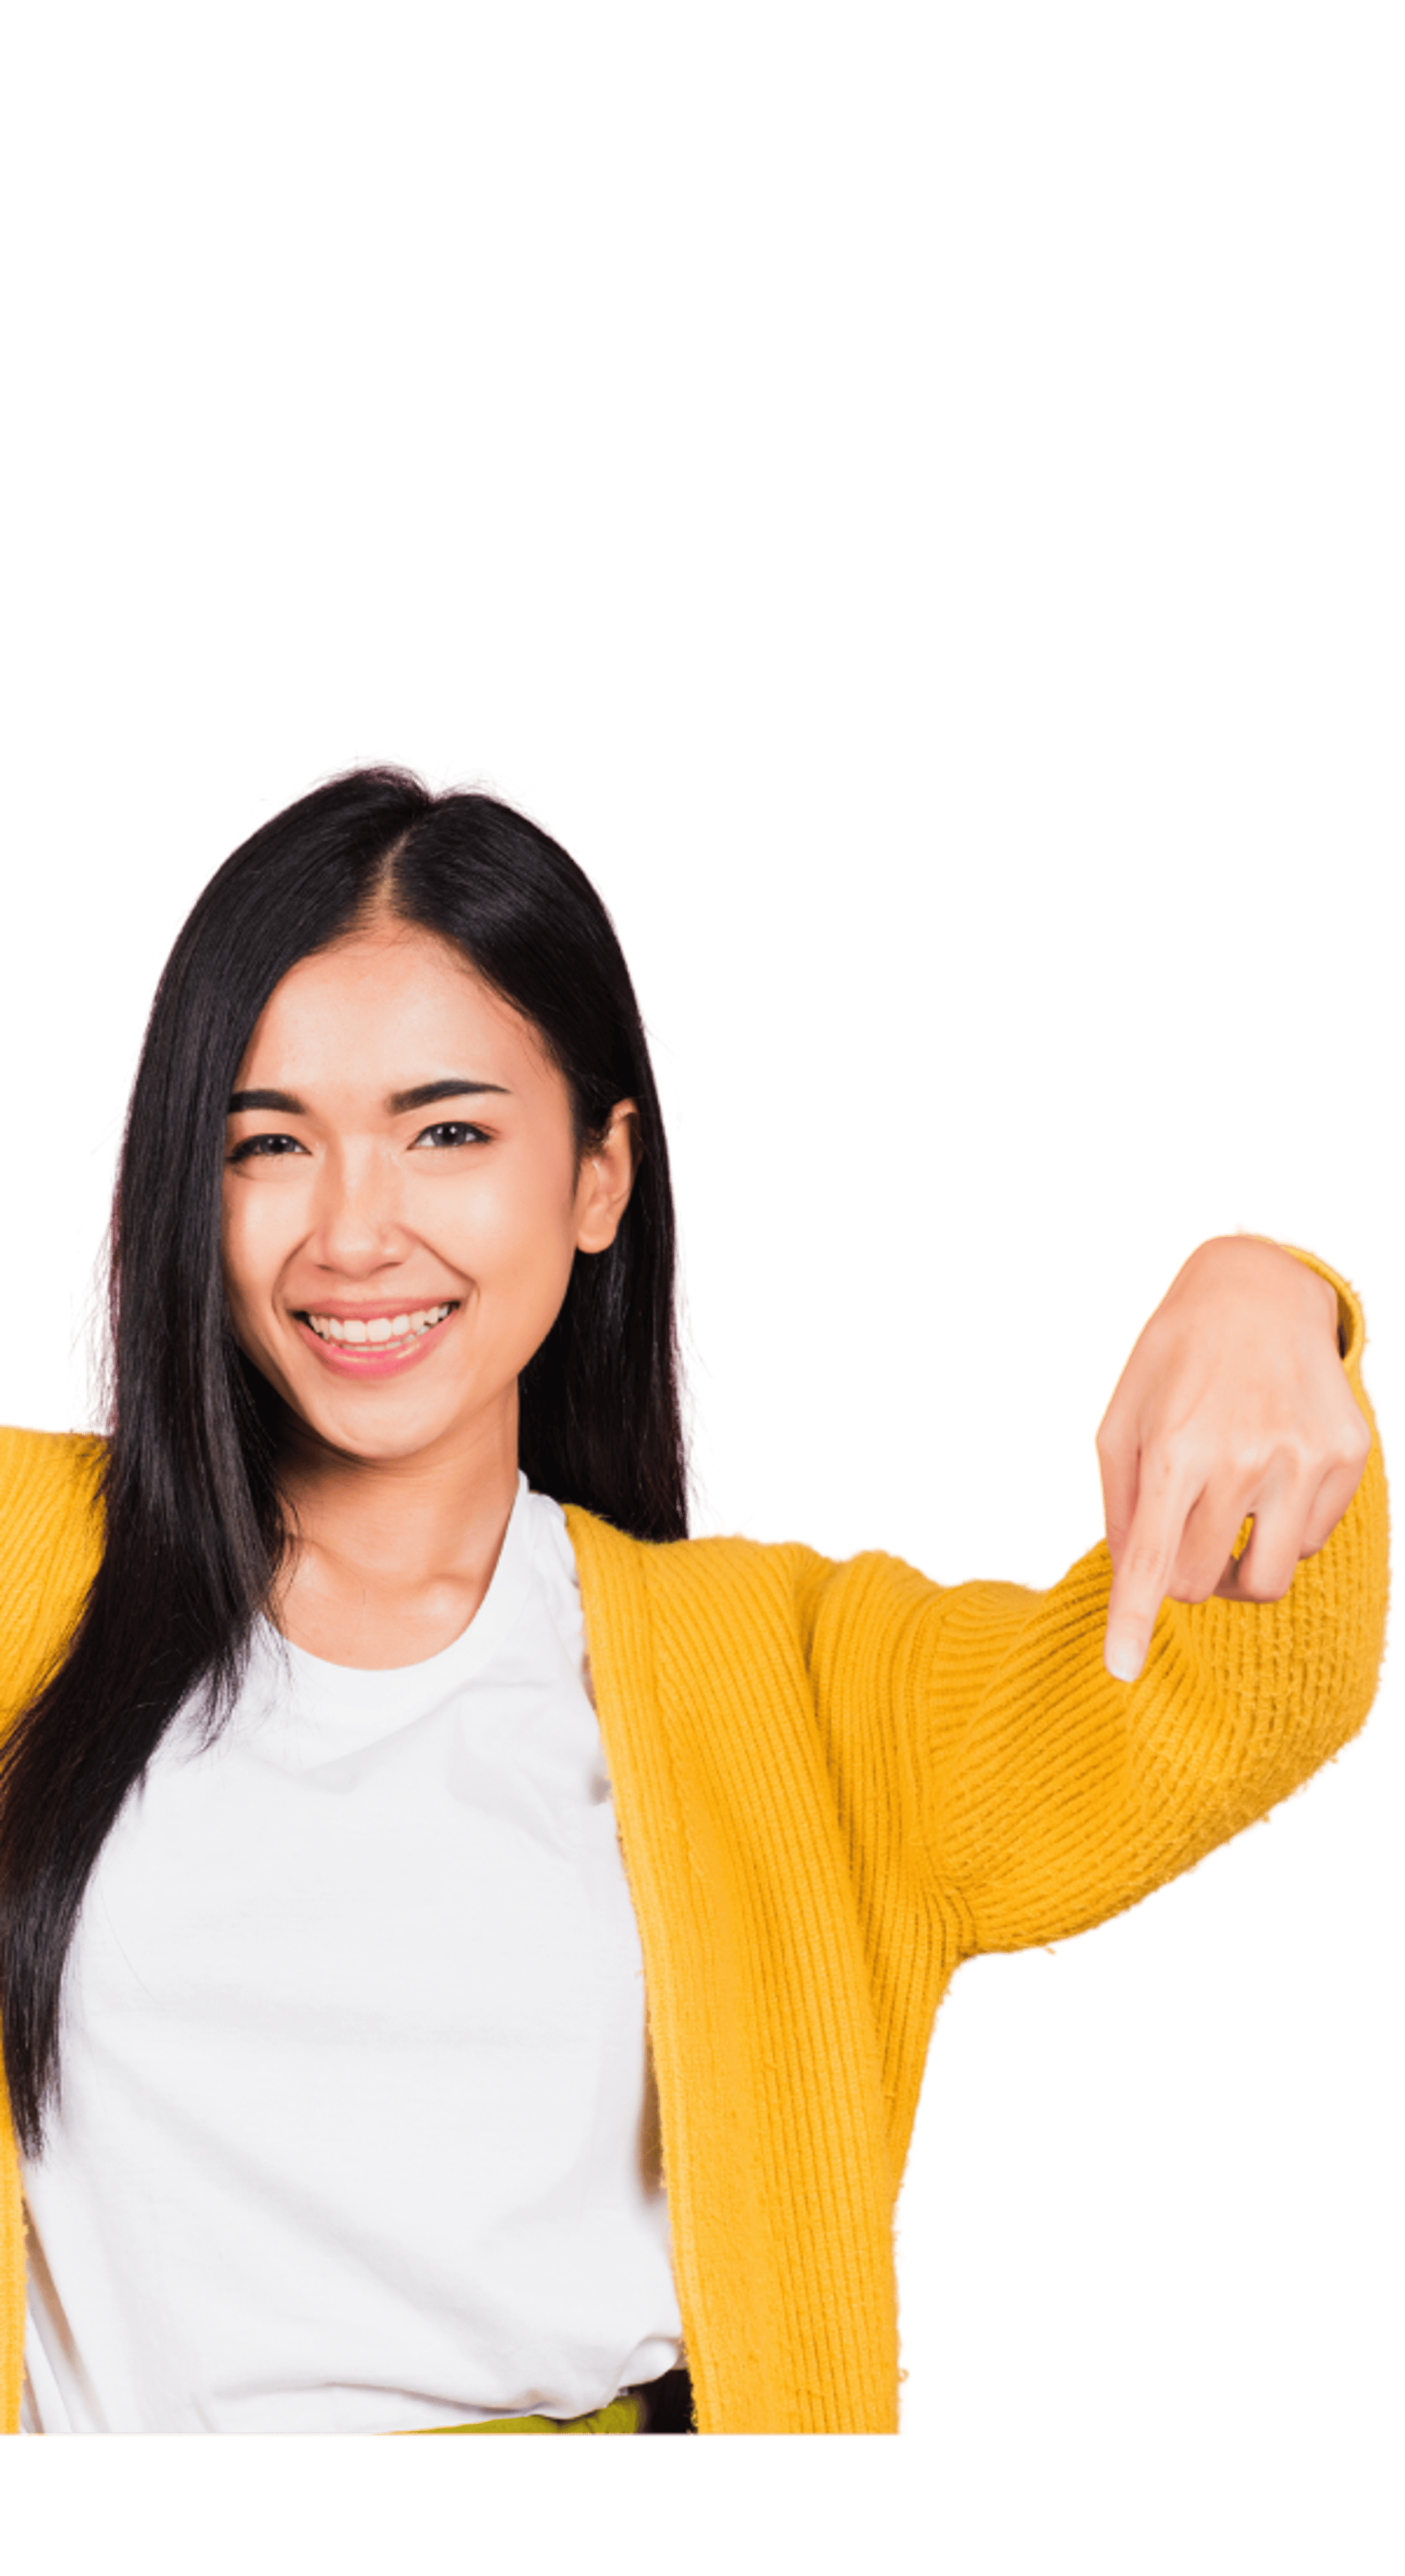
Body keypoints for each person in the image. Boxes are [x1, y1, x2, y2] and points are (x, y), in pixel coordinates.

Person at [0, 754, 1391, 2441]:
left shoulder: (792, 1679)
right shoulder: (30, 1561)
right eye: (268, 1141)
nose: (353, 1230)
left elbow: (1226, 1695)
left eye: (448, 1130)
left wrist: (1276, 1297)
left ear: (599, 1176)